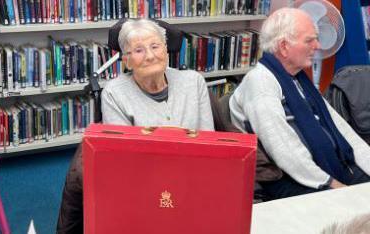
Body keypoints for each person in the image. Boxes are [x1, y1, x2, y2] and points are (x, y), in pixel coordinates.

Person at [57, 18, 214, 233]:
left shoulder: (193, 82)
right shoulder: (114, 93)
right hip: (143, 186)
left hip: (193, 181)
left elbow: (210, 144)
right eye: (139, 50)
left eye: (155, 46)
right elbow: (127, 162)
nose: (150, 55)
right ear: (127, 61)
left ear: (166, 51)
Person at [229, 7, 370, 200]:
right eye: (309, 40)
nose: (318, 45)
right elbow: (284, 149)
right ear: (284, 46)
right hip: (297, 178)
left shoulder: (298, 80)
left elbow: (342, 129)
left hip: (332, 164)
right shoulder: (261, 82)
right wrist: (332, 184)